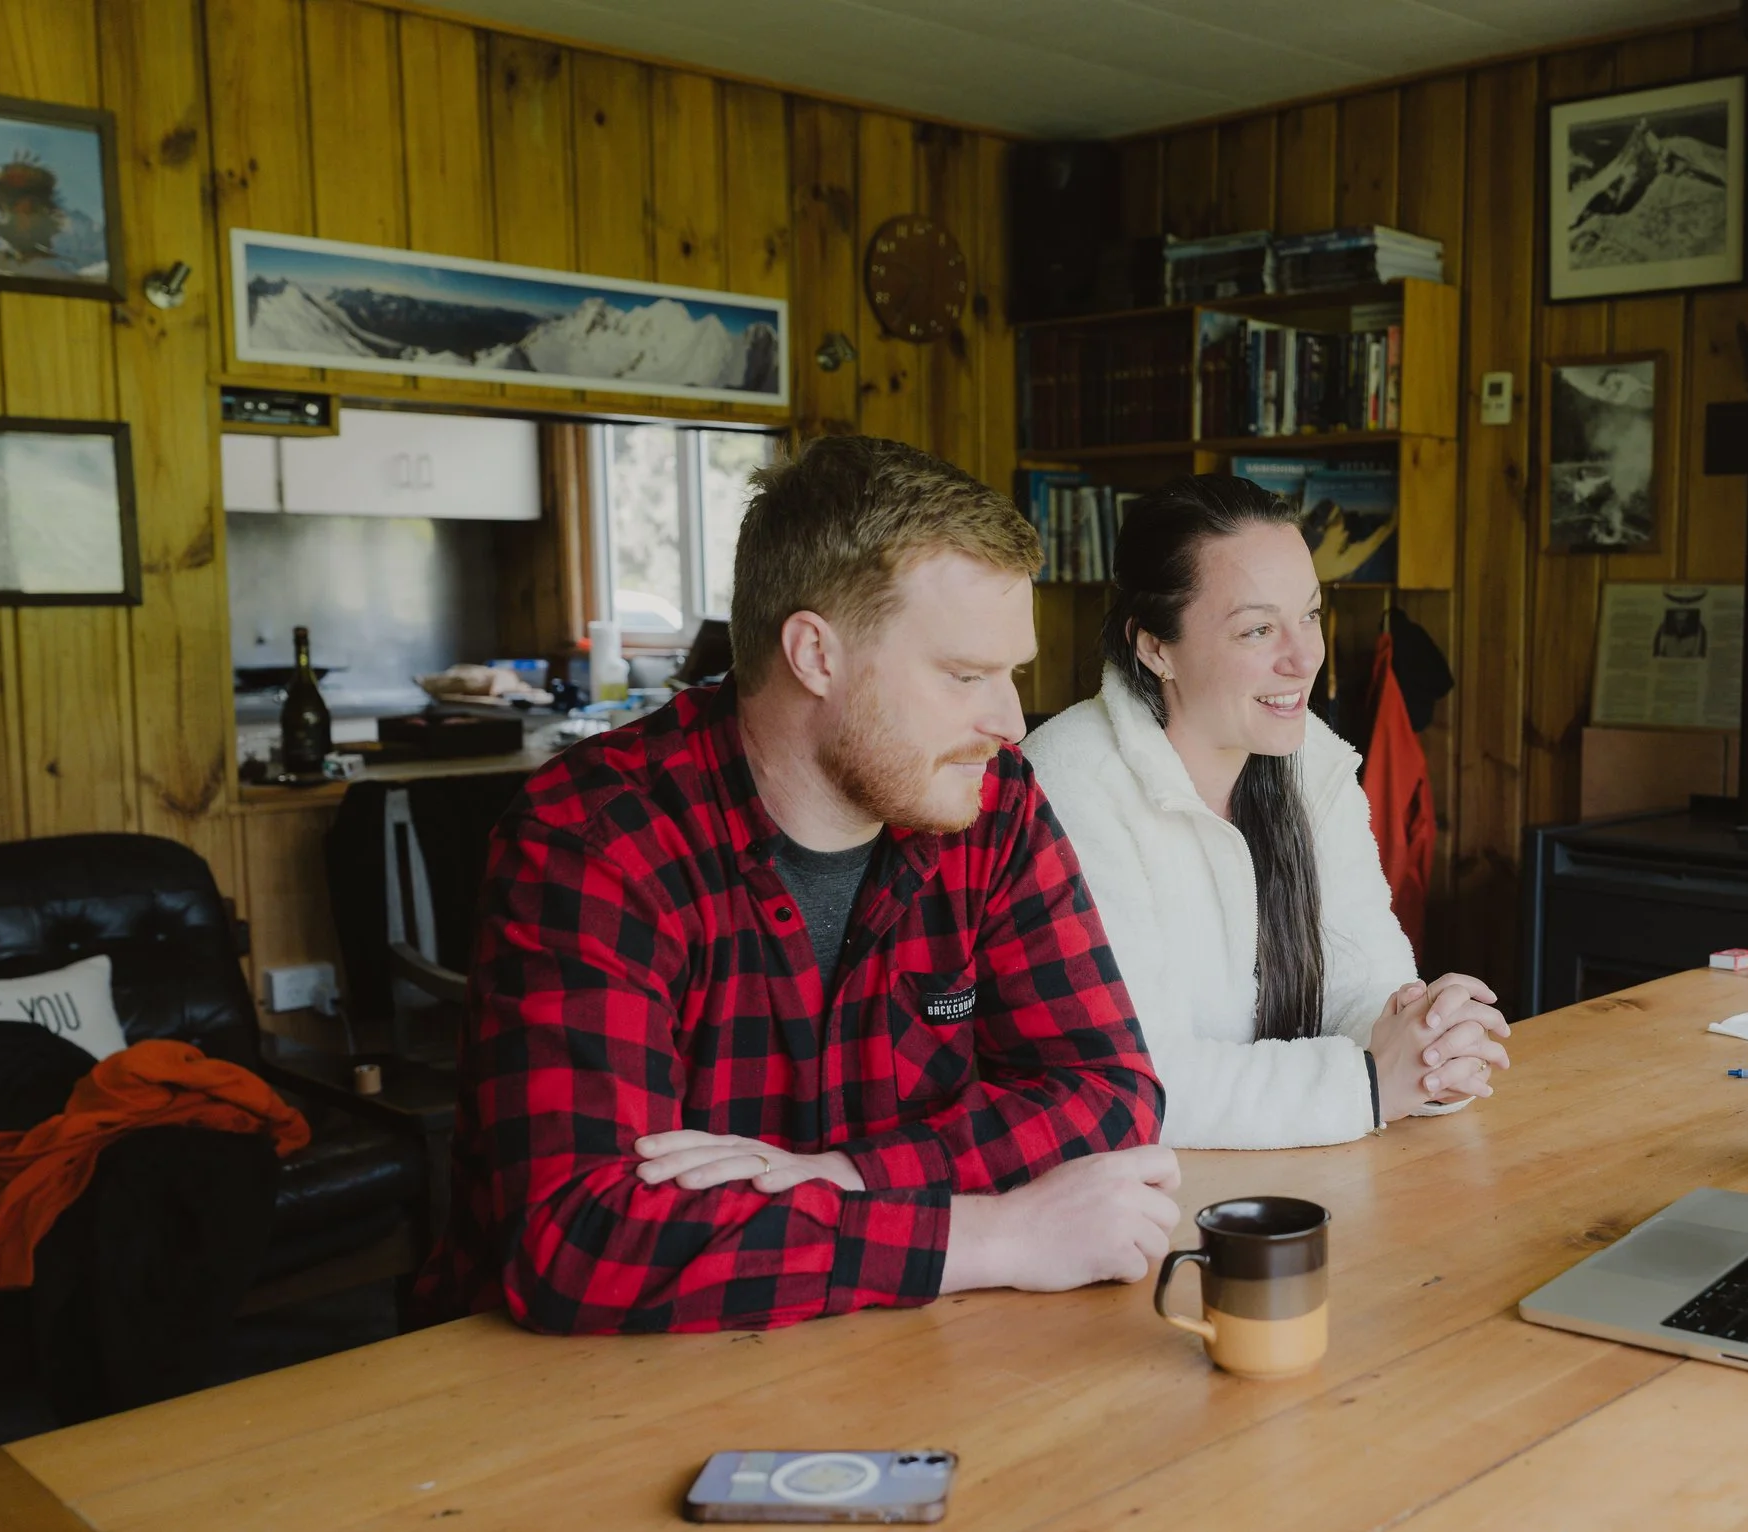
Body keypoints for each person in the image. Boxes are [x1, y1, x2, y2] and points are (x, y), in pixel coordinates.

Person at [411, 436, 1178, 1335]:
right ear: (815, 654)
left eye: (1008, 673)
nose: (1010, 721)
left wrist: (839, 1177)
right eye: (966, 675)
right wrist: (990, 1234)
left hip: (883, 1355)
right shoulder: (596, 837)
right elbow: (584, 1237)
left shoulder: (992, 805)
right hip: (566, 1399)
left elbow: (1110, 1094)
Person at [1023, 474, 1510, 1149]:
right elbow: (1137, 1078)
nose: (1304, 655)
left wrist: (1430, 1045)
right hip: (1127, 1211)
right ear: (1154, 646)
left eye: (1310, 613)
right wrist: (1370, 1085)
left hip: (1290, 1182)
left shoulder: (1314, 762)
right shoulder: (1066, 782)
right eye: (1257, 629)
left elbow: (1363, 984)